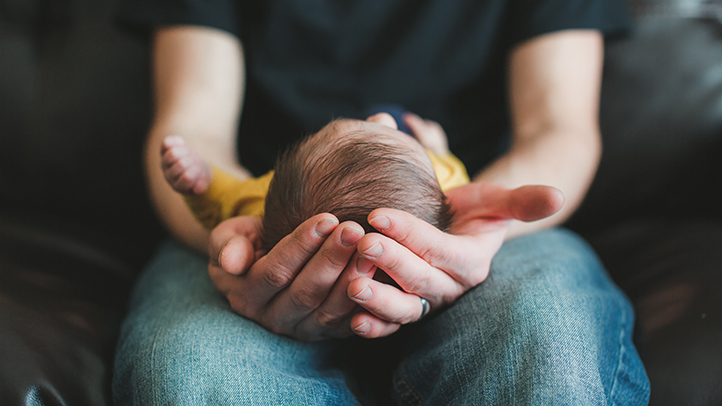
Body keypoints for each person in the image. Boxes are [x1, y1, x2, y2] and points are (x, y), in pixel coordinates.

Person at [114, 0, 651, 404]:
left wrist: (474, 231)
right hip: (264, 211)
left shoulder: (449, 183)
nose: (378, 120)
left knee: (553, 345)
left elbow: (558, 129)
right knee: (194, 374)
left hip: (474, 219)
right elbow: (191, 128)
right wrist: (241, 234)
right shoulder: (258, 211)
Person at [161, 115, 469, 250]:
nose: (380, 117)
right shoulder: (444, 180)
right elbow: (454, 169)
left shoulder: (258, 202)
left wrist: (202, 182)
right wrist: (438, 148)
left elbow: (219, 202)